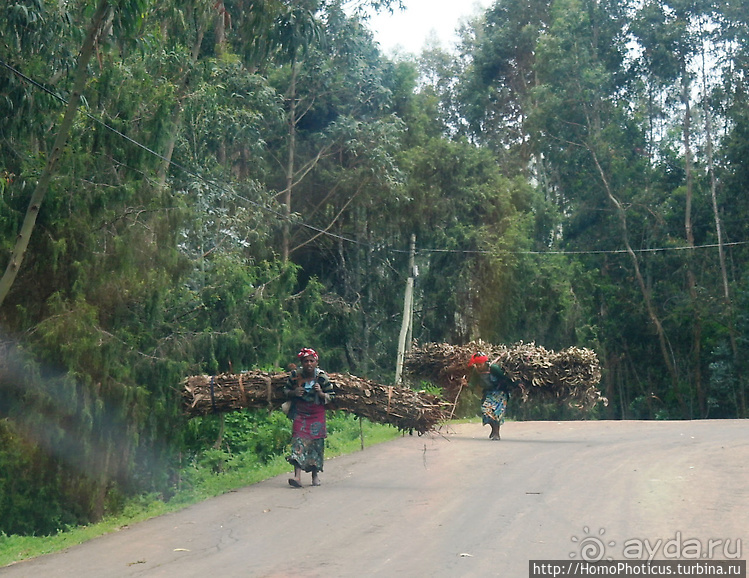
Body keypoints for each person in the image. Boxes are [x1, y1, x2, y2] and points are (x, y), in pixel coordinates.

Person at [283, 347, 335, 487]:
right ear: (302, 362)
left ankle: (315, 476)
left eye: (312, 361)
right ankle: (297, 477)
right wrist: (294, 393)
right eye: (306, 361)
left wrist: (321, 393)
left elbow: (332, 396)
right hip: (300, 414)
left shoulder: (322, 377)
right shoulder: (295, 376)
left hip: (317, 414)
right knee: (298, 442)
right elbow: (285, 390)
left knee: (316, 444)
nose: (309, 364)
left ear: (316, 362)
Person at [467, 351, 513, 440]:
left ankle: (496, 433)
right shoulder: (476, 371)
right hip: (488, 393)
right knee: (486, 411)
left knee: (496, 413)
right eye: (477, 364)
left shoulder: (493, 368)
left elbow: (506, 378)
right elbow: (473, 383)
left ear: (485, 362)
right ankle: (494, 430)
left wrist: (515, 384)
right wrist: (466, 384)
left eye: (481, 364)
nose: (479, 366)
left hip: (500, 392)